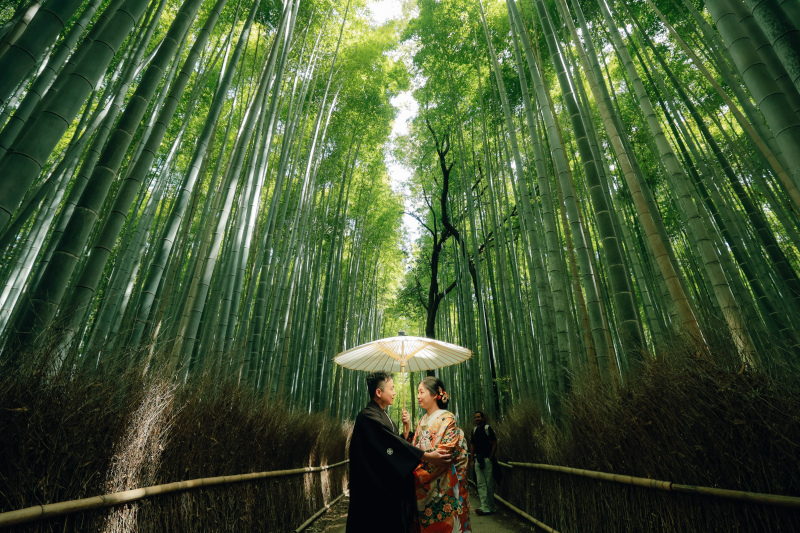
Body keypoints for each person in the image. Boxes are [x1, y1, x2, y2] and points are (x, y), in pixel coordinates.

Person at [347, 371, 453, 533]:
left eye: (421, 392)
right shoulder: (368, 416)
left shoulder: (383, 415)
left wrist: (406, 430)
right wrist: (426, 456)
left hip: (385, 487)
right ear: (378, 392)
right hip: (372, 489)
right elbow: (390, 445)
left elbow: (392, 446)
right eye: (391, 388)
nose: (395, 392)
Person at [406, 376, 471, 533]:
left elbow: (445, 453)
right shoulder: (422, 420)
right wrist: (407, 428)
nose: (418, 396)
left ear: (435, 395)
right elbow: (414, 449)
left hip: (443, 485)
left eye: (421, 392)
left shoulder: (447, 418)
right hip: (424, 487)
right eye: (418, 392)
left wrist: (415, 474)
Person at [468, 411, 498, 516]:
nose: (477, 419)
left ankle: (490, 506)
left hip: (487, 459)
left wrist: (491, 456)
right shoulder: (474, 430)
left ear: (483, 418)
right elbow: (472, 445)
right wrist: (472, 459)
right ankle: (484, 506)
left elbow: (495, 442)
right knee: (480, 484)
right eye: (475, 417)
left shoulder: (488, 428)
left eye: (479, 417)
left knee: (489, 483)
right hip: (478, 460)